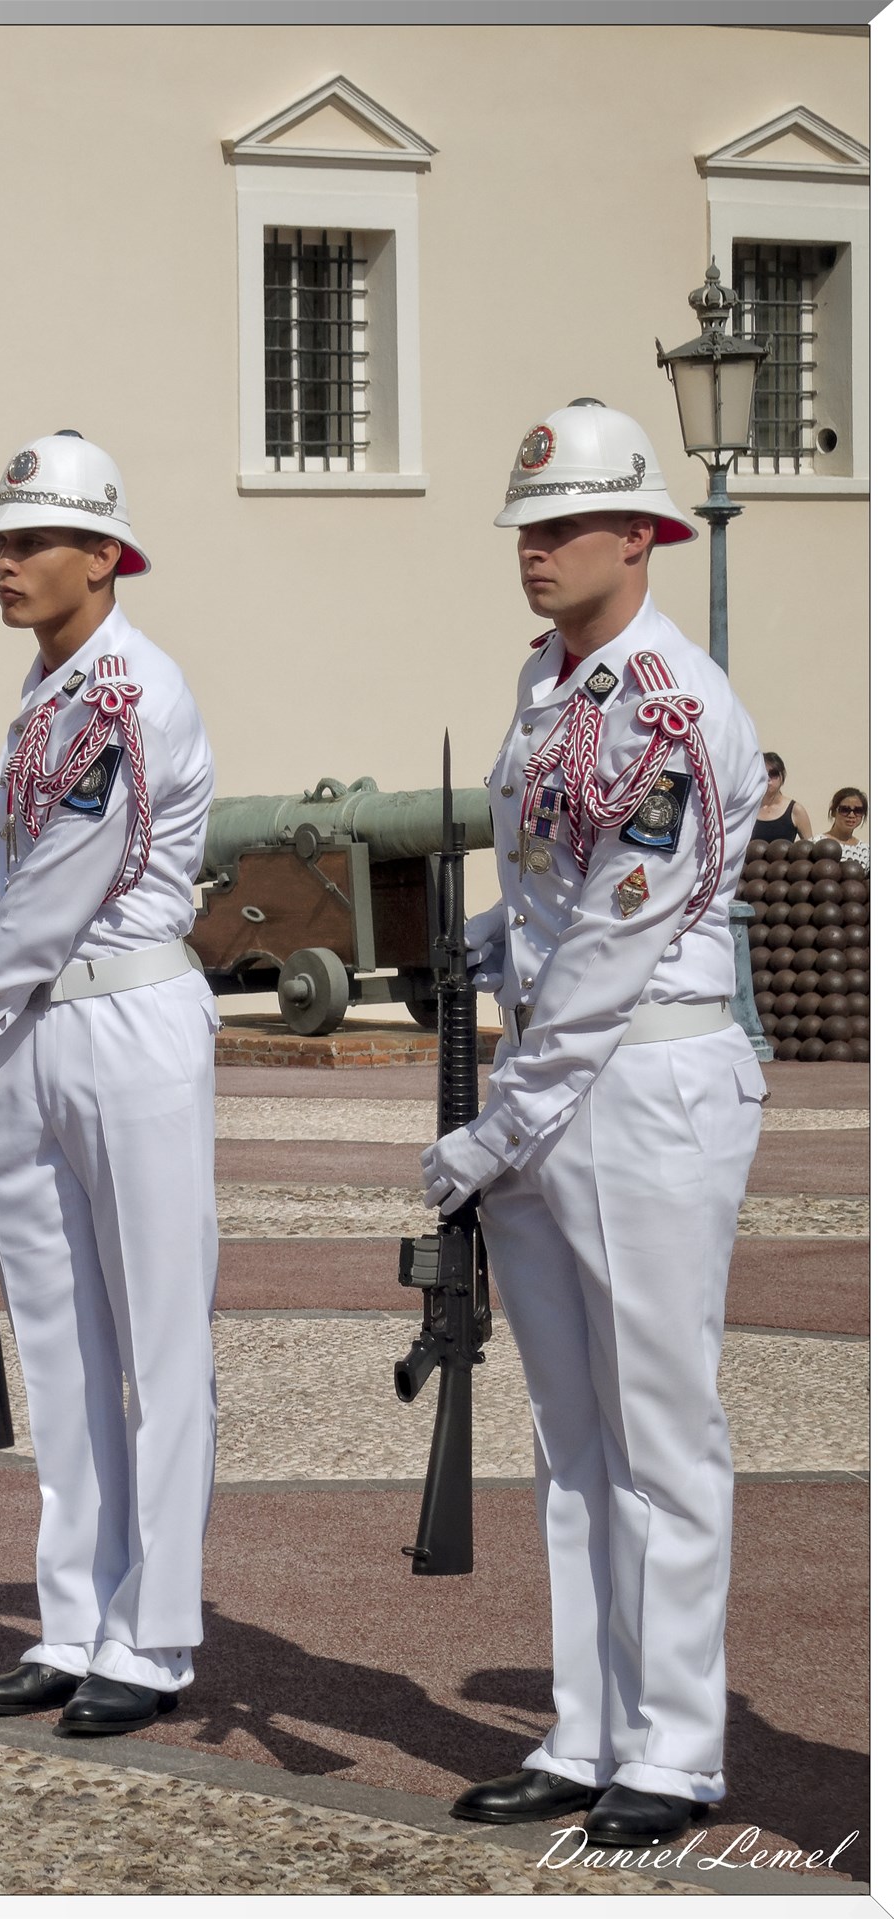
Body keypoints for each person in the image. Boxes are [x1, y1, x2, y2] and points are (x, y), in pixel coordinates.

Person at [426, 400, 764, 1848]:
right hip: (568, 1070)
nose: (537, 549)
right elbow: (565, 898)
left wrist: (498, 1129)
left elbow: (621, 949)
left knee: (662, 1428)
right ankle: (589, 1724)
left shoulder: (669, 706)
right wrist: (492, 938)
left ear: (642, 532)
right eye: (527, 527)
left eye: (565, 525)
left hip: (644, 1078)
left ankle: (678, 1745)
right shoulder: (552, 683)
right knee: (574, 1436)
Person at [0, 431, 220, 1736]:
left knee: (155, 1341)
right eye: (0, 537)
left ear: (104, 554)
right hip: (48, 1028)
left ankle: (153, 1638)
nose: (7, 559)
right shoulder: (46, 690)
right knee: (60, 1344)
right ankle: (74, 1619)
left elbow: (63, 902)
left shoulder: (123, 689)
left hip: (124, 1025)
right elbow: (43, 879)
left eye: (33, 539)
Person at [752, 751, 811, 842]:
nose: (768, 779)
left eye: (773, 773)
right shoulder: (749, 808)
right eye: (763, 774)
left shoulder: (795, 810)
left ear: (782, 775)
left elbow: (809, 847)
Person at [822, 786, 867, 868]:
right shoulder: (817, 843)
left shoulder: (866, 851)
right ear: (833, 812)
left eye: (858, 811)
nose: (851, 815)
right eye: (845, 809)